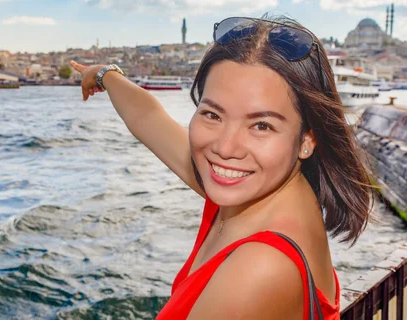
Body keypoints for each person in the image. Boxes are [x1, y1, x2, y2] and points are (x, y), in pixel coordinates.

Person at [70, 16, 375, 319]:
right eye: (213, 115)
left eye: (261, 125)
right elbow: (148, 118)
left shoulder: (259, 267)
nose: (225, 148)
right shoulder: (255, 193)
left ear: (307, 138)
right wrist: (103, 75)